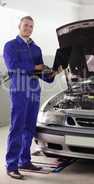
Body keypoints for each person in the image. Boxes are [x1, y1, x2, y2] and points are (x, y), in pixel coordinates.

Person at [3, 16, 62, 179]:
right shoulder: (10, 46)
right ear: (19, 26)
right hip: (19, 92)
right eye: (26, 25)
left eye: (31, 26)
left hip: (34, 92)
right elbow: (12, 67)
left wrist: (54, 73)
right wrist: (34, 67)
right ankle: (12, 165)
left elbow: (41, 74)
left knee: (29, 127)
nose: (28, 28)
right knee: (17, 127)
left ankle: (25, 161)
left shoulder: (36, 49)